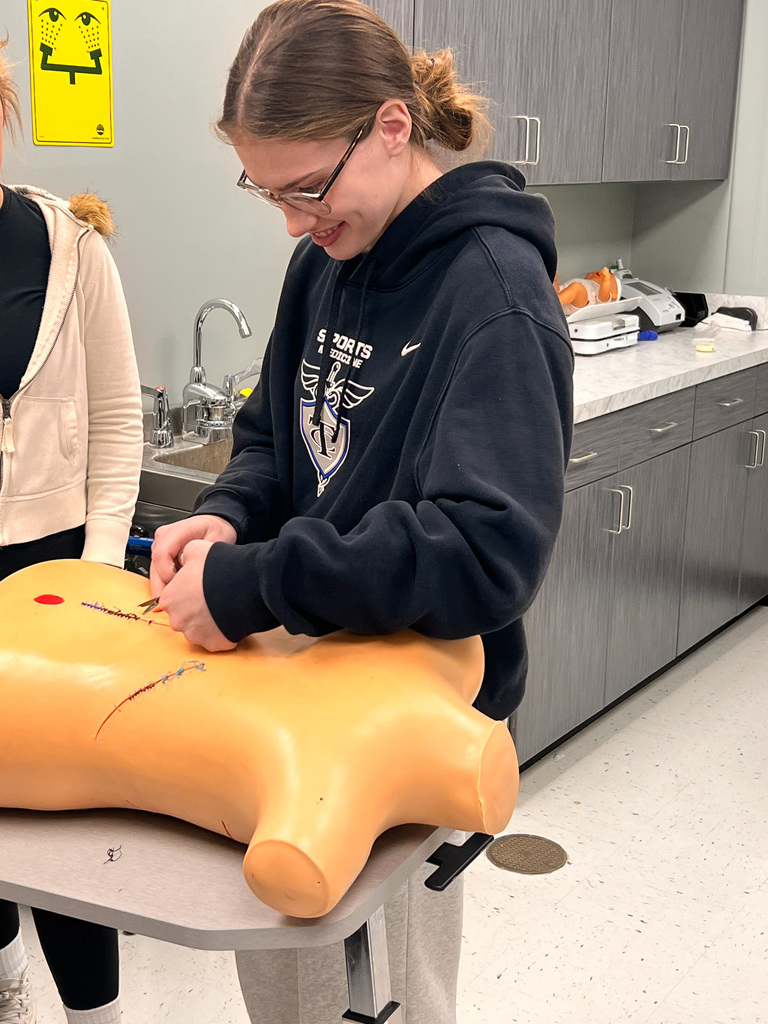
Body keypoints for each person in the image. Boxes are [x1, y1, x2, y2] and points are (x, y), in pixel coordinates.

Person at [150, 1, 574, 1021]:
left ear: (391, 127)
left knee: (401, 991)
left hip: (412, 711)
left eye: (307, 188)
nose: (294, 222)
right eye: (268, 192)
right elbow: (272, 434)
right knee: (287, 981)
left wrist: (261, 582)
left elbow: (485, 553)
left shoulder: (496, 295)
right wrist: (228, 515)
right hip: (297, 684)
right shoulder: (324, 263)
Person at [0, 36, 142, 1024]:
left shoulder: (68, 246)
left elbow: (120, 422)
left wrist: (93, 582)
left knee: (61, 823)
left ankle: (96, 1015)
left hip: (53, 574)